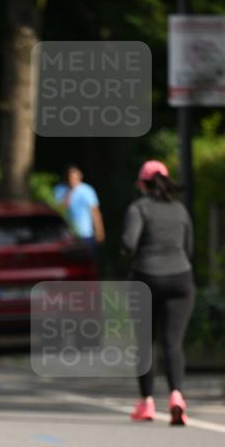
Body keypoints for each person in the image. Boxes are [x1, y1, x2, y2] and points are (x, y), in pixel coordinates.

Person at [122, 160, 194, 425]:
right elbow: (189, 248)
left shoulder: (138, 208)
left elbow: (129, 242)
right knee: (173, 342)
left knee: (145, 343)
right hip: (180, 279)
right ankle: (176, 396)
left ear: (142, 184)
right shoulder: (180, 210)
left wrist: (129, 254)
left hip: (146, 278)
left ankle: (147, 403)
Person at [54, 165, 105, 253]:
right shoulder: (59, 190)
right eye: (70, 178)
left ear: (80, 178)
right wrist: (69, 193)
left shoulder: (87, 190)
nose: (72, 180)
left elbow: (95, 212)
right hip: (65, 235)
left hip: (85, 234)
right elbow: (57, 211)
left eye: (75, 178)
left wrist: (99, 231)